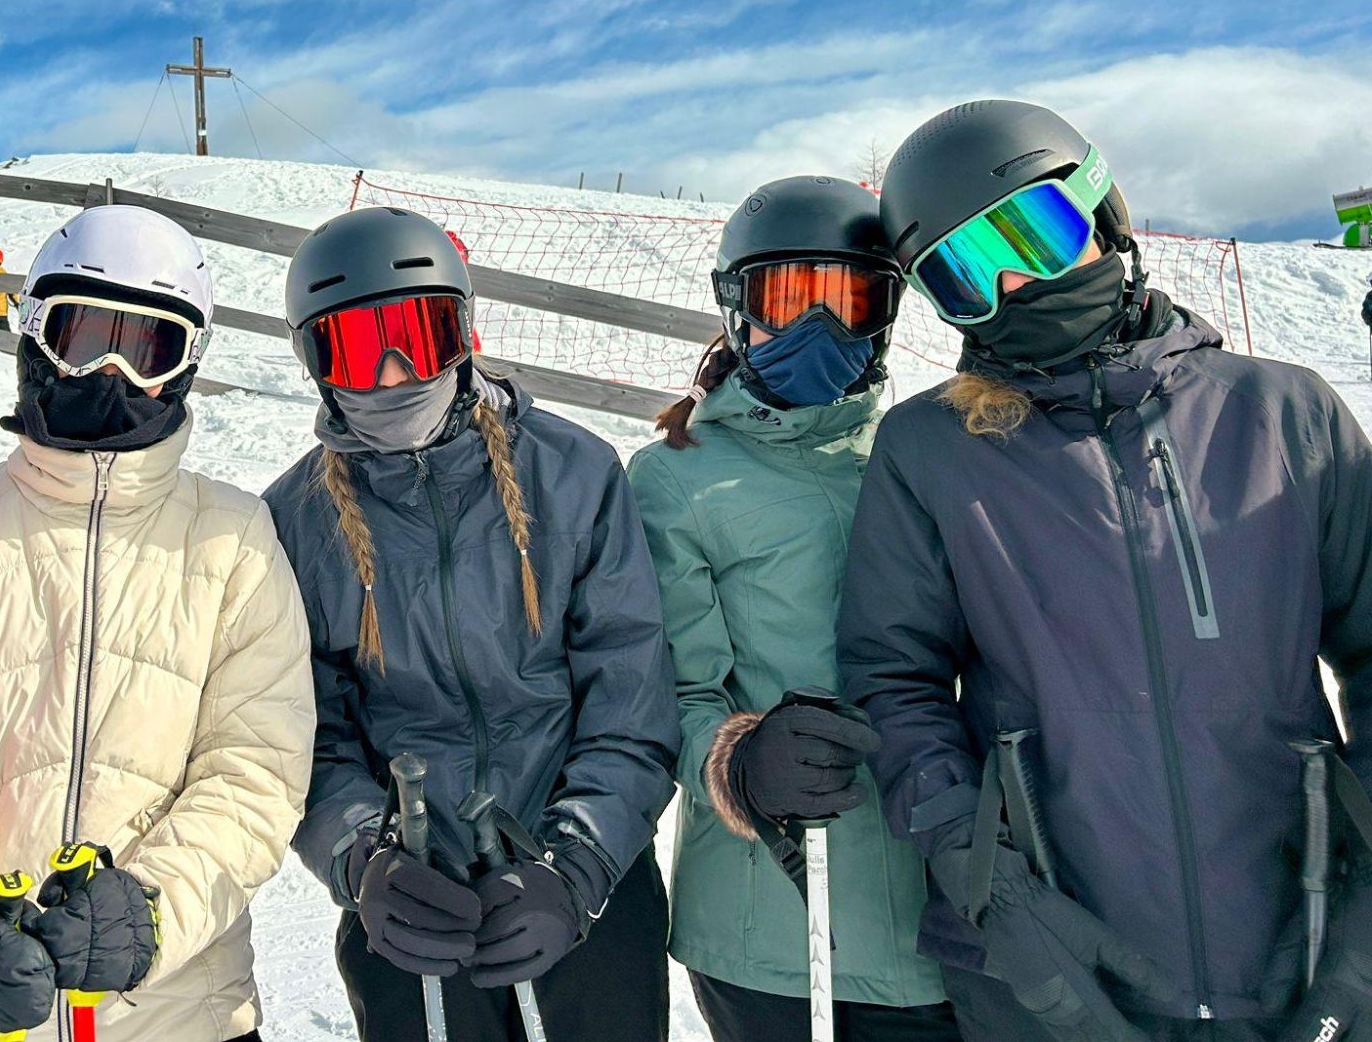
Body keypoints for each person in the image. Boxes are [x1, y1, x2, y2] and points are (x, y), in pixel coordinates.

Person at [836, 100, 1372, 1042]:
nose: (1014, 284)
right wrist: (984, 877)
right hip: (1055, 967)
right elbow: (892, 678)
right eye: (965, 276)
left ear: (1103, 212)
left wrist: (1362, 939)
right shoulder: (932, 450)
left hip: (1302, 937)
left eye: (1033, 236)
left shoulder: (1285, 416)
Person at [0, 203, 315, 1042]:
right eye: (83, 336)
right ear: (34, 338)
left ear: (185, 367)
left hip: (178, 1016)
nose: (110, 372)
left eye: (148, 350)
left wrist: (150, 912)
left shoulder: (231, 539)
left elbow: (254, 771)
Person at [264, 206, 681, 1042]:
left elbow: (630, 698)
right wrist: (364, 859)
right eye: (355, 348)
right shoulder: (296, 522)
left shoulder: (572, 473)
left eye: (417, 338)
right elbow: (308, 733)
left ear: (462, 332)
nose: (391, 376)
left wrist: (577, 866)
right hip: (414, 899)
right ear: (314, 362)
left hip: (582, 890)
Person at [631, 176, 958, 1042]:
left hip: (945, 918)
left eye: (851, 301)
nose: (820, 328)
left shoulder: (924, 454)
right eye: (787, 300)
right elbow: (669, 691)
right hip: (775, 925)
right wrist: (736, 763)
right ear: (737, 309)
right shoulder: (679, 476)